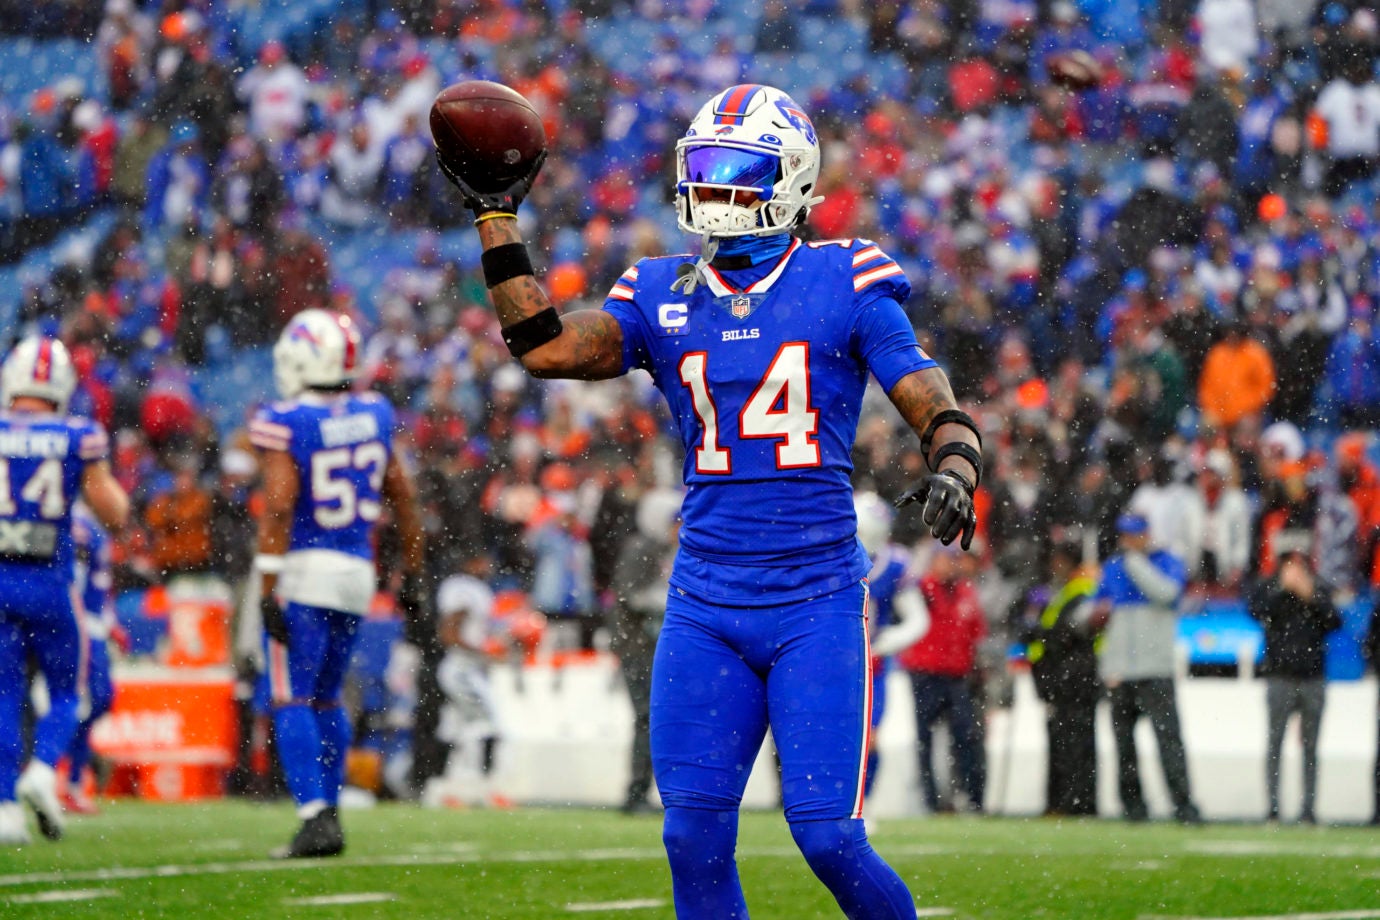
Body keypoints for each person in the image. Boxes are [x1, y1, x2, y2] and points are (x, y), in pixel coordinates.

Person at [443, 82, 982, 919]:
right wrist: (494, 215)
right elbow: (543, 345)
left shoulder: (845, 274)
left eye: (737, 169)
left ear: (792, 179)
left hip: (816, 599)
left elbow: (920, 383)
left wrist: (954, 456)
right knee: (691, 839)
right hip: (705, 600)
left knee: (829, 836)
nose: (716, 187)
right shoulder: (660, 290)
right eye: (705, 167)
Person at [248, 309, 428, 859]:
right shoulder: (374, 412)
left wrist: (265, 583)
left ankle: (313, 815)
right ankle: (330, 813)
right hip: (356, 574)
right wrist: (412, 572)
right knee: (326, 698)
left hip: (303, 571)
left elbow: (278, 506)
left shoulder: (287, 419)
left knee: (291, 695)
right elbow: (403, 495)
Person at [0, 337, 129, 846]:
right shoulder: (77, 434)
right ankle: (45, 767)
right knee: (68, 693)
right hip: (50, 585)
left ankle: (5, 806)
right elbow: (114, 514)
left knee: (5, 694)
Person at [1092, 513, 1201, 824]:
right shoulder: (1113, 567)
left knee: (1169, 741)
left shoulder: (1165, 561)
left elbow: (1166, 593)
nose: (1129, 541)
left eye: (1134, 535)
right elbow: (1096, 606)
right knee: (1125, 745)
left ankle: (1183, 804)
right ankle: (1133, 807)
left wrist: (1136, 564)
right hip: (1121, 670)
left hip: (1155, 668)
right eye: (1125, 535)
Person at [1247, 543, 1342, 824]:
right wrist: (1282, 589)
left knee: (1311, 746)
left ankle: (1308, 809)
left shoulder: (1318, 588)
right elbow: (1256, 611)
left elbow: (1334, 622)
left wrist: (1309, 595)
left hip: (1312, 677)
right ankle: (1273, 808)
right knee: (1275, 743)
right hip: (1279, 676)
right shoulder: (1270, 589)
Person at [897, 543, 988, 815]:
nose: (950, 565)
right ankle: (931, 801)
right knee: (925, 740)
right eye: (945, 560)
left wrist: (976, 664)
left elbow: (976, 632)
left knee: (966, 737)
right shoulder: (921, 590)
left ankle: (971, 798)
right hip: (925, 673)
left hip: (957, 674)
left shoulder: (966, 592)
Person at [853, 491, 930, 808]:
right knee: (833, 738)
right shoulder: (823, 560)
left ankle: (863, 804)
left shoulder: (893, 564)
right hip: (830, 660)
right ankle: (831, 806)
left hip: (872, 665)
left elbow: (918, 621)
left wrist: (884, 642)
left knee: (867, 740)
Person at [609, 488, 683, 815]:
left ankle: (647, 792)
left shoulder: (661, 549)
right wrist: (672, 600)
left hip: (652, 646)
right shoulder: (641, 548)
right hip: (639, 647)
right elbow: (629, 596)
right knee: (646, 719)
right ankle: (636, 793)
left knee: (656, 721)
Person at [1019, 539, 1099, 817]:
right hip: (1063, 681)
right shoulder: (1063, 591)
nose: (1055, 565)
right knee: (1066, 743)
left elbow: (1067, 634)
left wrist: (1037, 632)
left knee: (1073, 745)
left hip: (1075, 680)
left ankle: (1075, 802)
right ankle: (1066, 801)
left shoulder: (1081, 591)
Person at [423, 554, 510, 810]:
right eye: (481, 560)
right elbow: (449, 633)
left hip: (461, 669)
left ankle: (441, 788)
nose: (488, 566)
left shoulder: (471, 588)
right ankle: (485, 788)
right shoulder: (465, 589)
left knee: (452, 730)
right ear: (469, 562)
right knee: (489, 725)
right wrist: (485, 654)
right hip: (462, 670)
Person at [61, 502, 119, 815]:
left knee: (98, 700)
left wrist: (109, 621)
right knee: (78, 701)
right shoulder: (76, 522)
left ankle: (66, 777)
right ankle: (57, 776)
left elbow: (99, 581)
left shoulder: (92, 521)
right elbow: (74, 576)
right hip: (77, 624)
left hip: (93, 623)